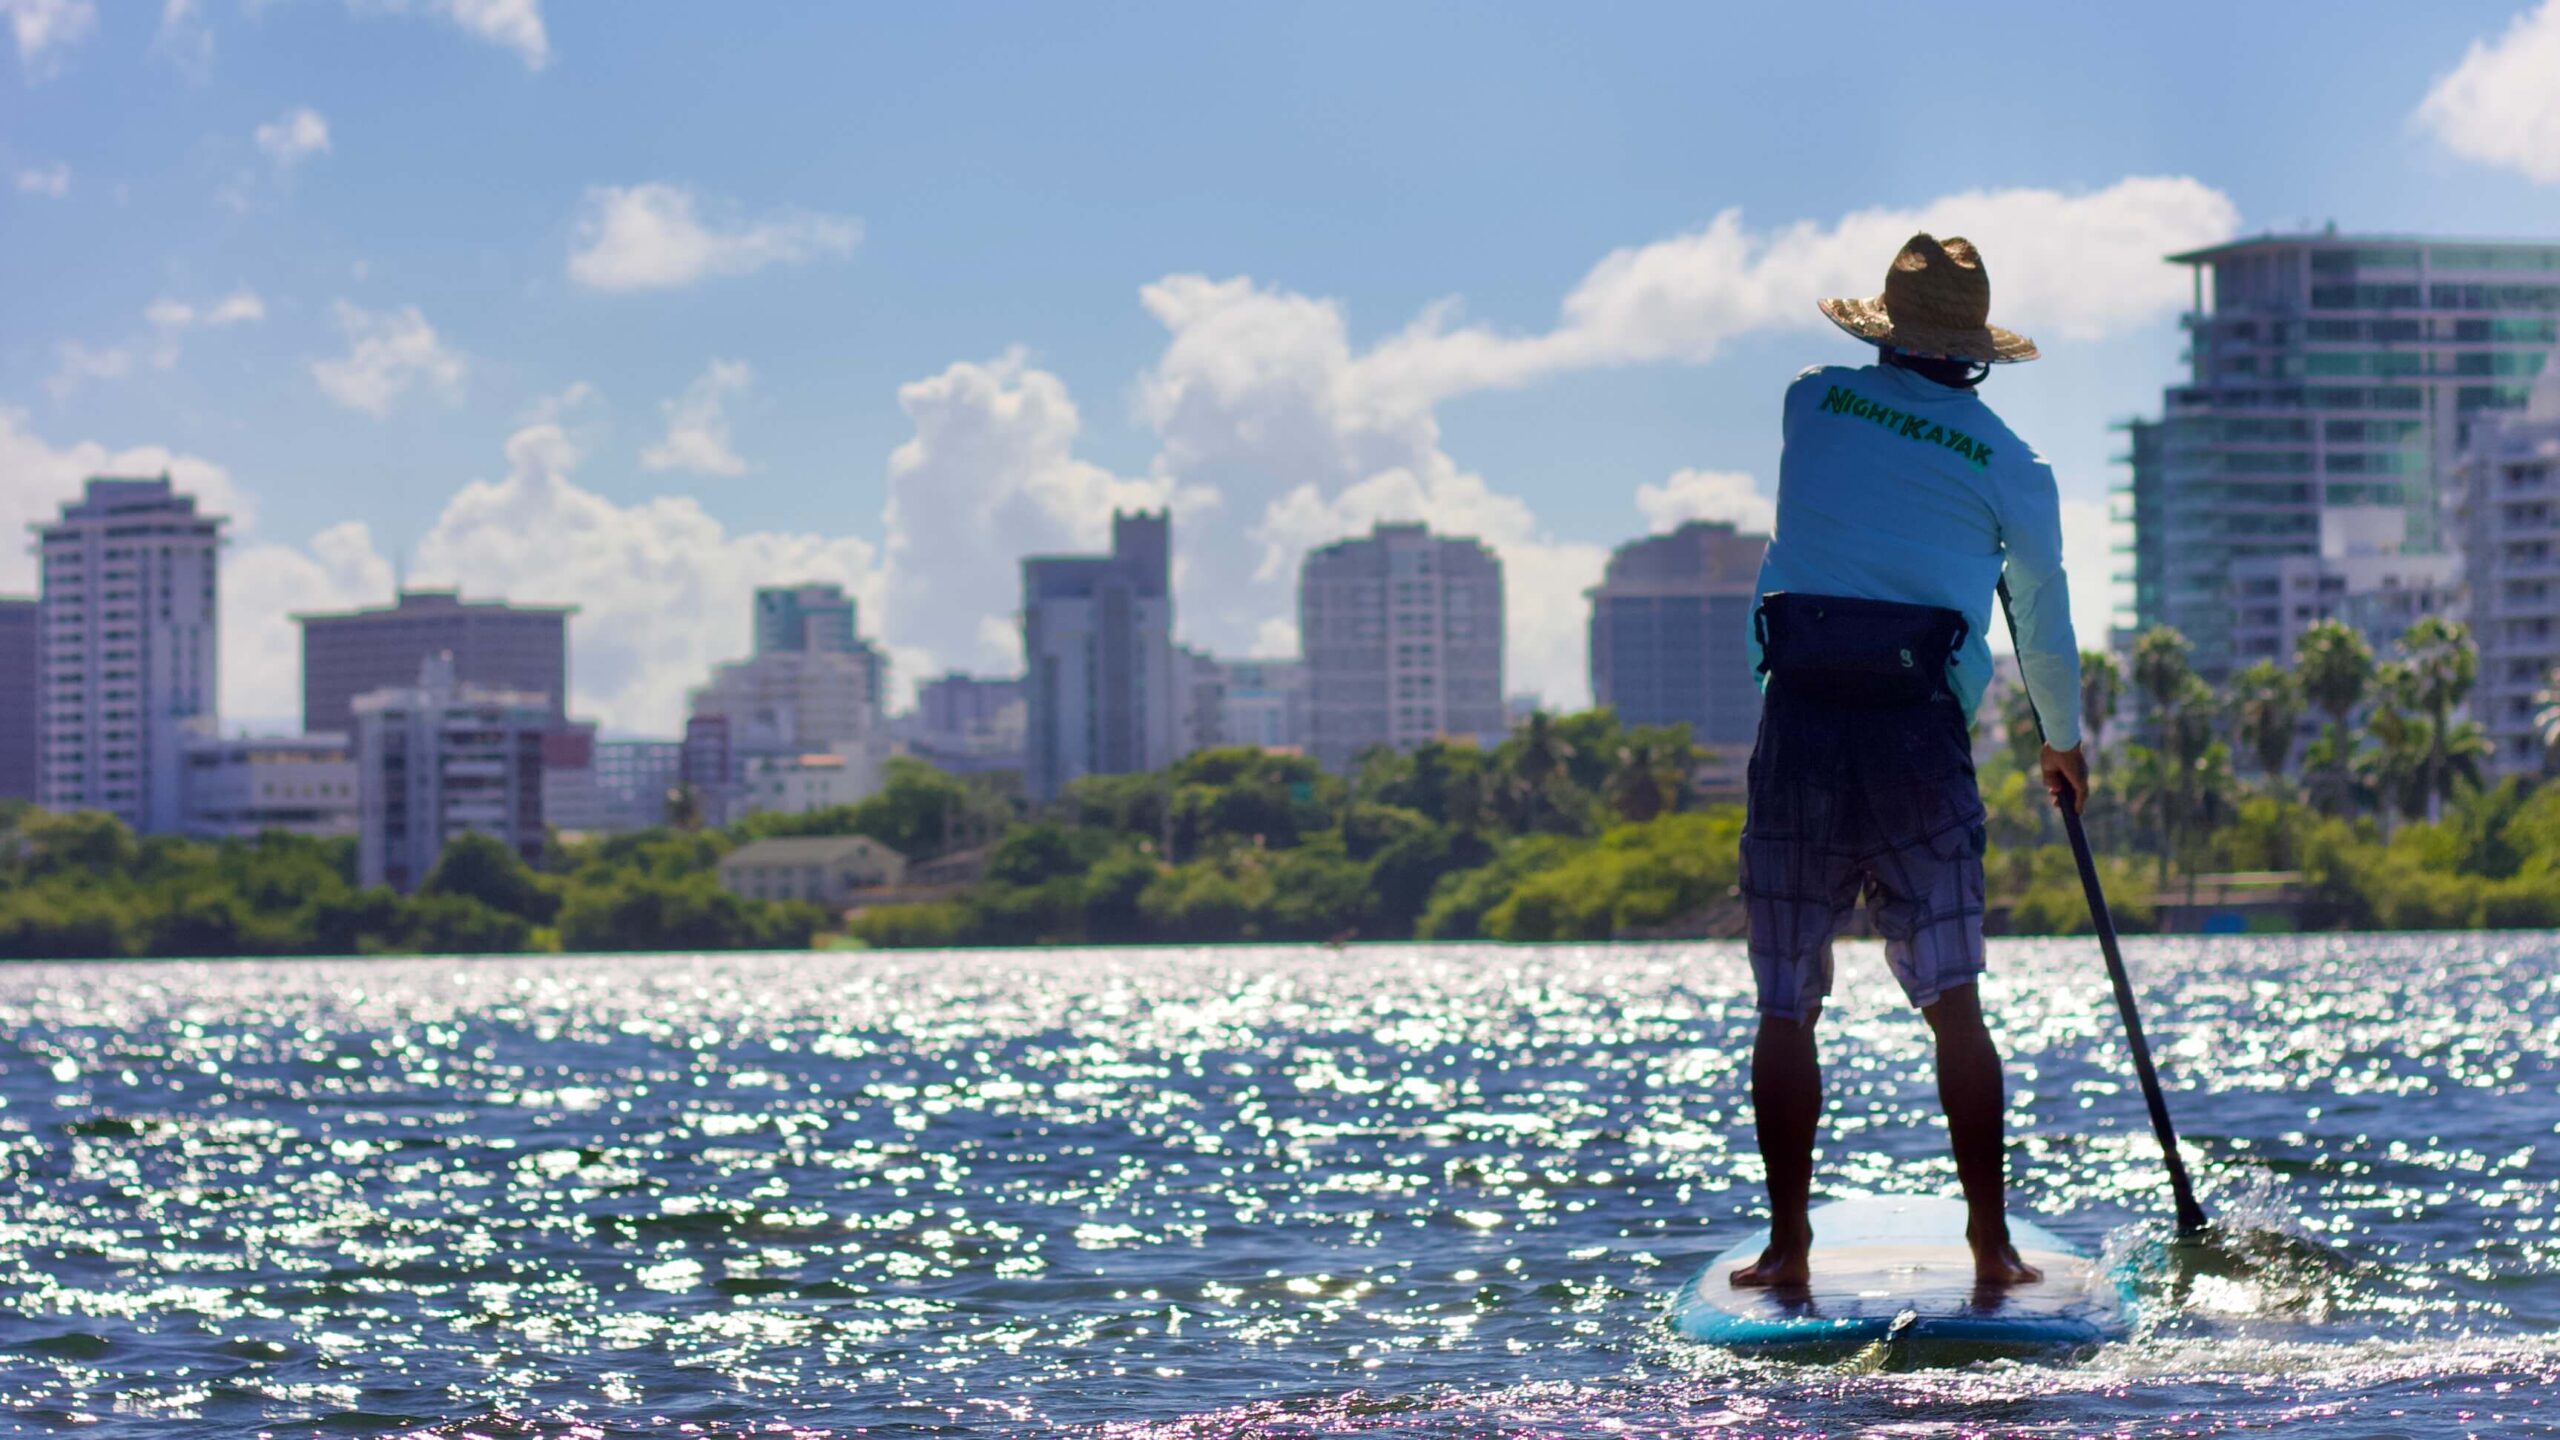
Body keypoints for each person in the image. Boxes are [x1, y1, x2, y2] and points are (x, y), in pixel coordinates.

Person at [1729, 233, 2088, 1289]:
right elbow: (2042, 618)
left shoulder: (1812, 399)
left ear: (1884, 325)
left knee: (1784, 1005)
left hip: (1796, 724)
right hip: (1917, 742)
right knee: (1954, 1004)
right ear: (1975, 350)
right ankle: (1991, 1244)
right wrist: (2059, 743)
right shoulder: (2014, 467)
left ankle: (1787, 1247)